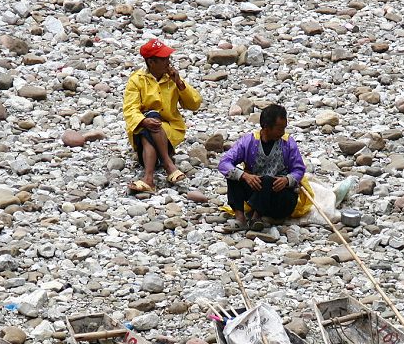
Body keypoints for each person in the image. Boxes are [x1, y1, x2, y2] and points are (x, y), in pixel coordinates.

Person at [122, 38, 202, 194]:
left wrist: (179, 84)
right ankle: (168, 165)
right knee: (150, 119)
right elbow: (130, 109)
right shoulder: (137, 80)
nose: (168, 62)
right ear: (151, 62)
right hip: (144, 129)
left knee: (152, 124)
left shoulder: (172, 78)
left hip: (170, 130)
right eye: (163, 59)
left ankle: (149, 179)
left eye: (168, 58)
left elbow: (195, 104)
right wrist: (143, 121)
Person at [217, 104, 307, 232]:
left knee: (267, 180)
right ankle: (240, 219)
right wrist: (244, 176)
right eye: (278, 128)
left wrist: (287, 180)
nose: (282, 132)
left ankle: (256, 218)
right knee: (234, 176)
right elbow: (224, 163)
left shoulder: (288, 143)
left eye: (284, 128)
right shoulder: (248, 141)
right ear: (266, 126)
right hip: (257, 193)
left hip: (280, 199)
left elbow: (299, 169)